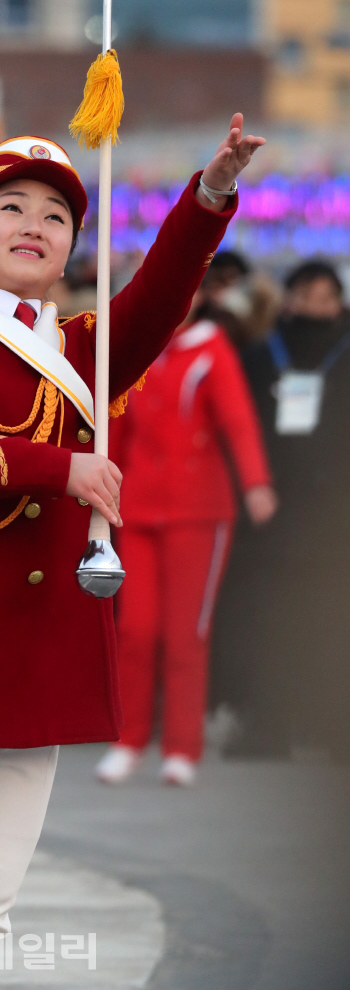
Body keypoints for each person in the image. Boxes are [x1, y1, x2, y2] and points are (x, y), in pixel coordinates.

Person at [0, 114, 264, 989]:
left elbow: (159, 297)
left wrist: (210, 196)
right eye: (11, 206)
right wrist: (61, 467)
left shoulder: (87, 348)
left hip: (41, 663)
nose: (34, 225)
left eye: (56, 215)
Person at [95, 291, 276, 787]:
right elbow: (114, 427)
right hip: (138, 506)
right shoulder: (137, 349)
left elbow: (238, 421)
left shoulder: (211, 349)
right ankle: (128, 740)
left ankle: (181, 747)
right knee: (134, 630)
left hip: (199, 511)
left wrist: (256, 482)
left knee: (185, 634)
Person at [212, 259, 350, 758]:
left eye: (327, 294)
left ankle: (332, 728)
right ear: (290, 297)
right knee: (266, 620)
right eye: (309, 293)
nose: (318, 303)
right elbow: (238, 426)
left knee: (331, 621)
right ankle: (267, 724)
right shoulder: (261, 354)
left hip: (334, 514)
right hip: (268, 509)